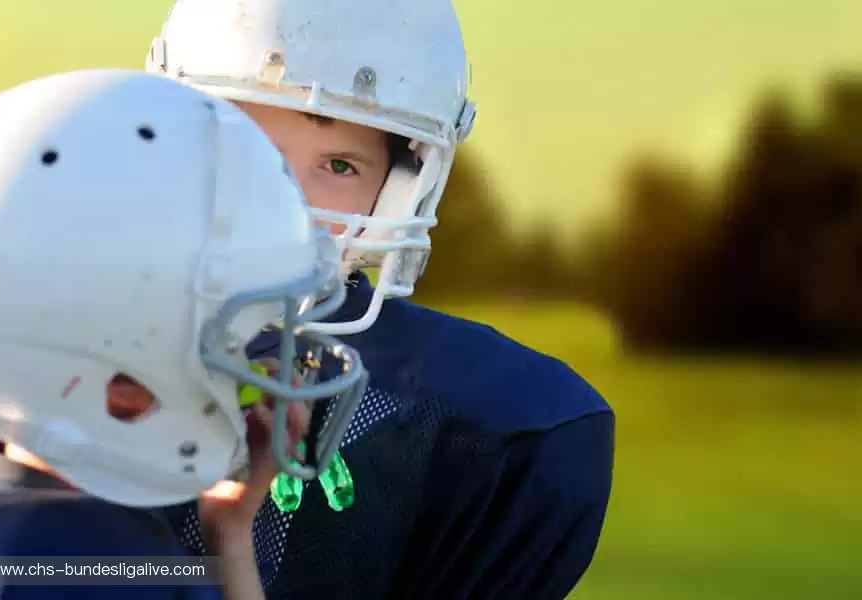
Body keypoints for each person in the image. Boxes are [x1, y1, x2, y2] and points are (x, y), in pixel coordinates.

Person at [145, 1, 617, 597]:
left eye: (338, 165)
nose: (284, 203)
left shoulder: (485, 426)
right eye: (247, 147)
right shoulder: (46, 339)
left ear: (397, 191)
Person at [0, 68, 368, 599]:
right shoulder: (78, 567)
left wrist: (229, 532)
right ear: (120, 373)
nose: (259, 360)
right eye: (236, 336)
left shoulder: (14, 515)